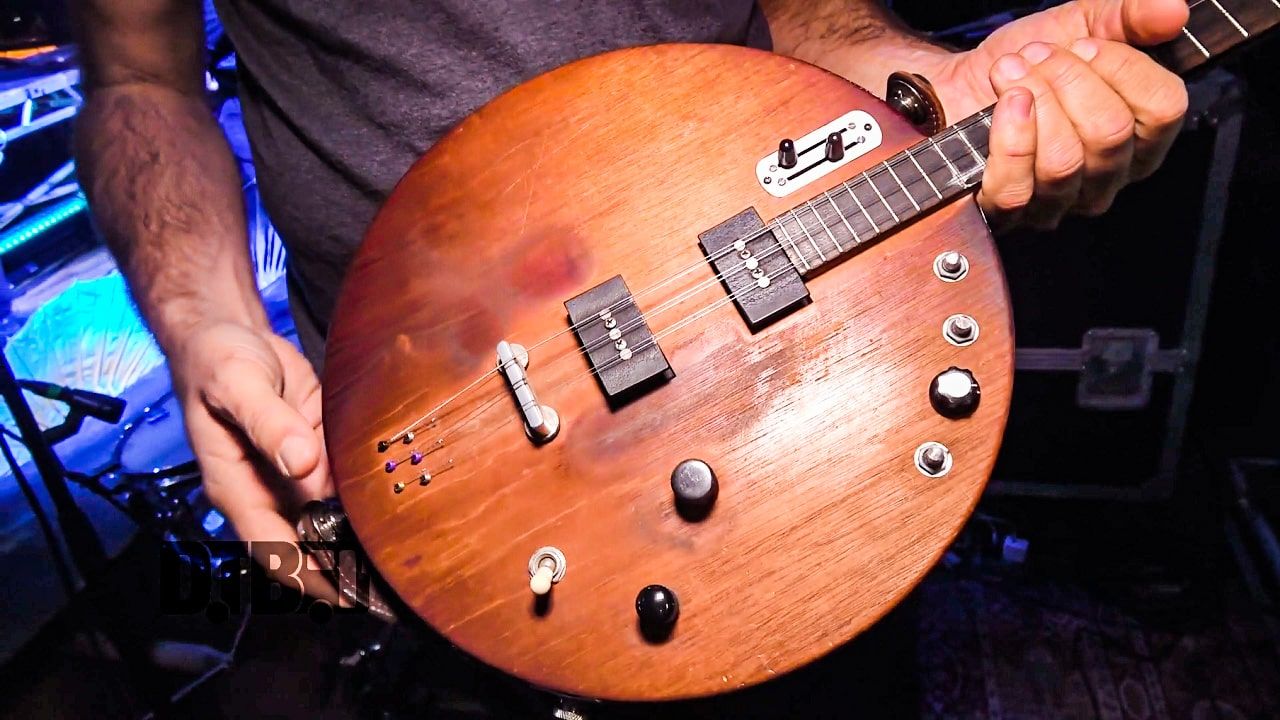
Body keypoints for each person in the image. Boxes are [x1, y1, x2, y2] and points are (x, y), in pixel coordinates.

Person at [70, 0, 1189, 599]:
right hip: (412, 429)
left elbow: (804, 8)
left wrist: (921, 88)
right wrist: (204, 320)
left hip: (785, 408)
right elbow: (137, 77)